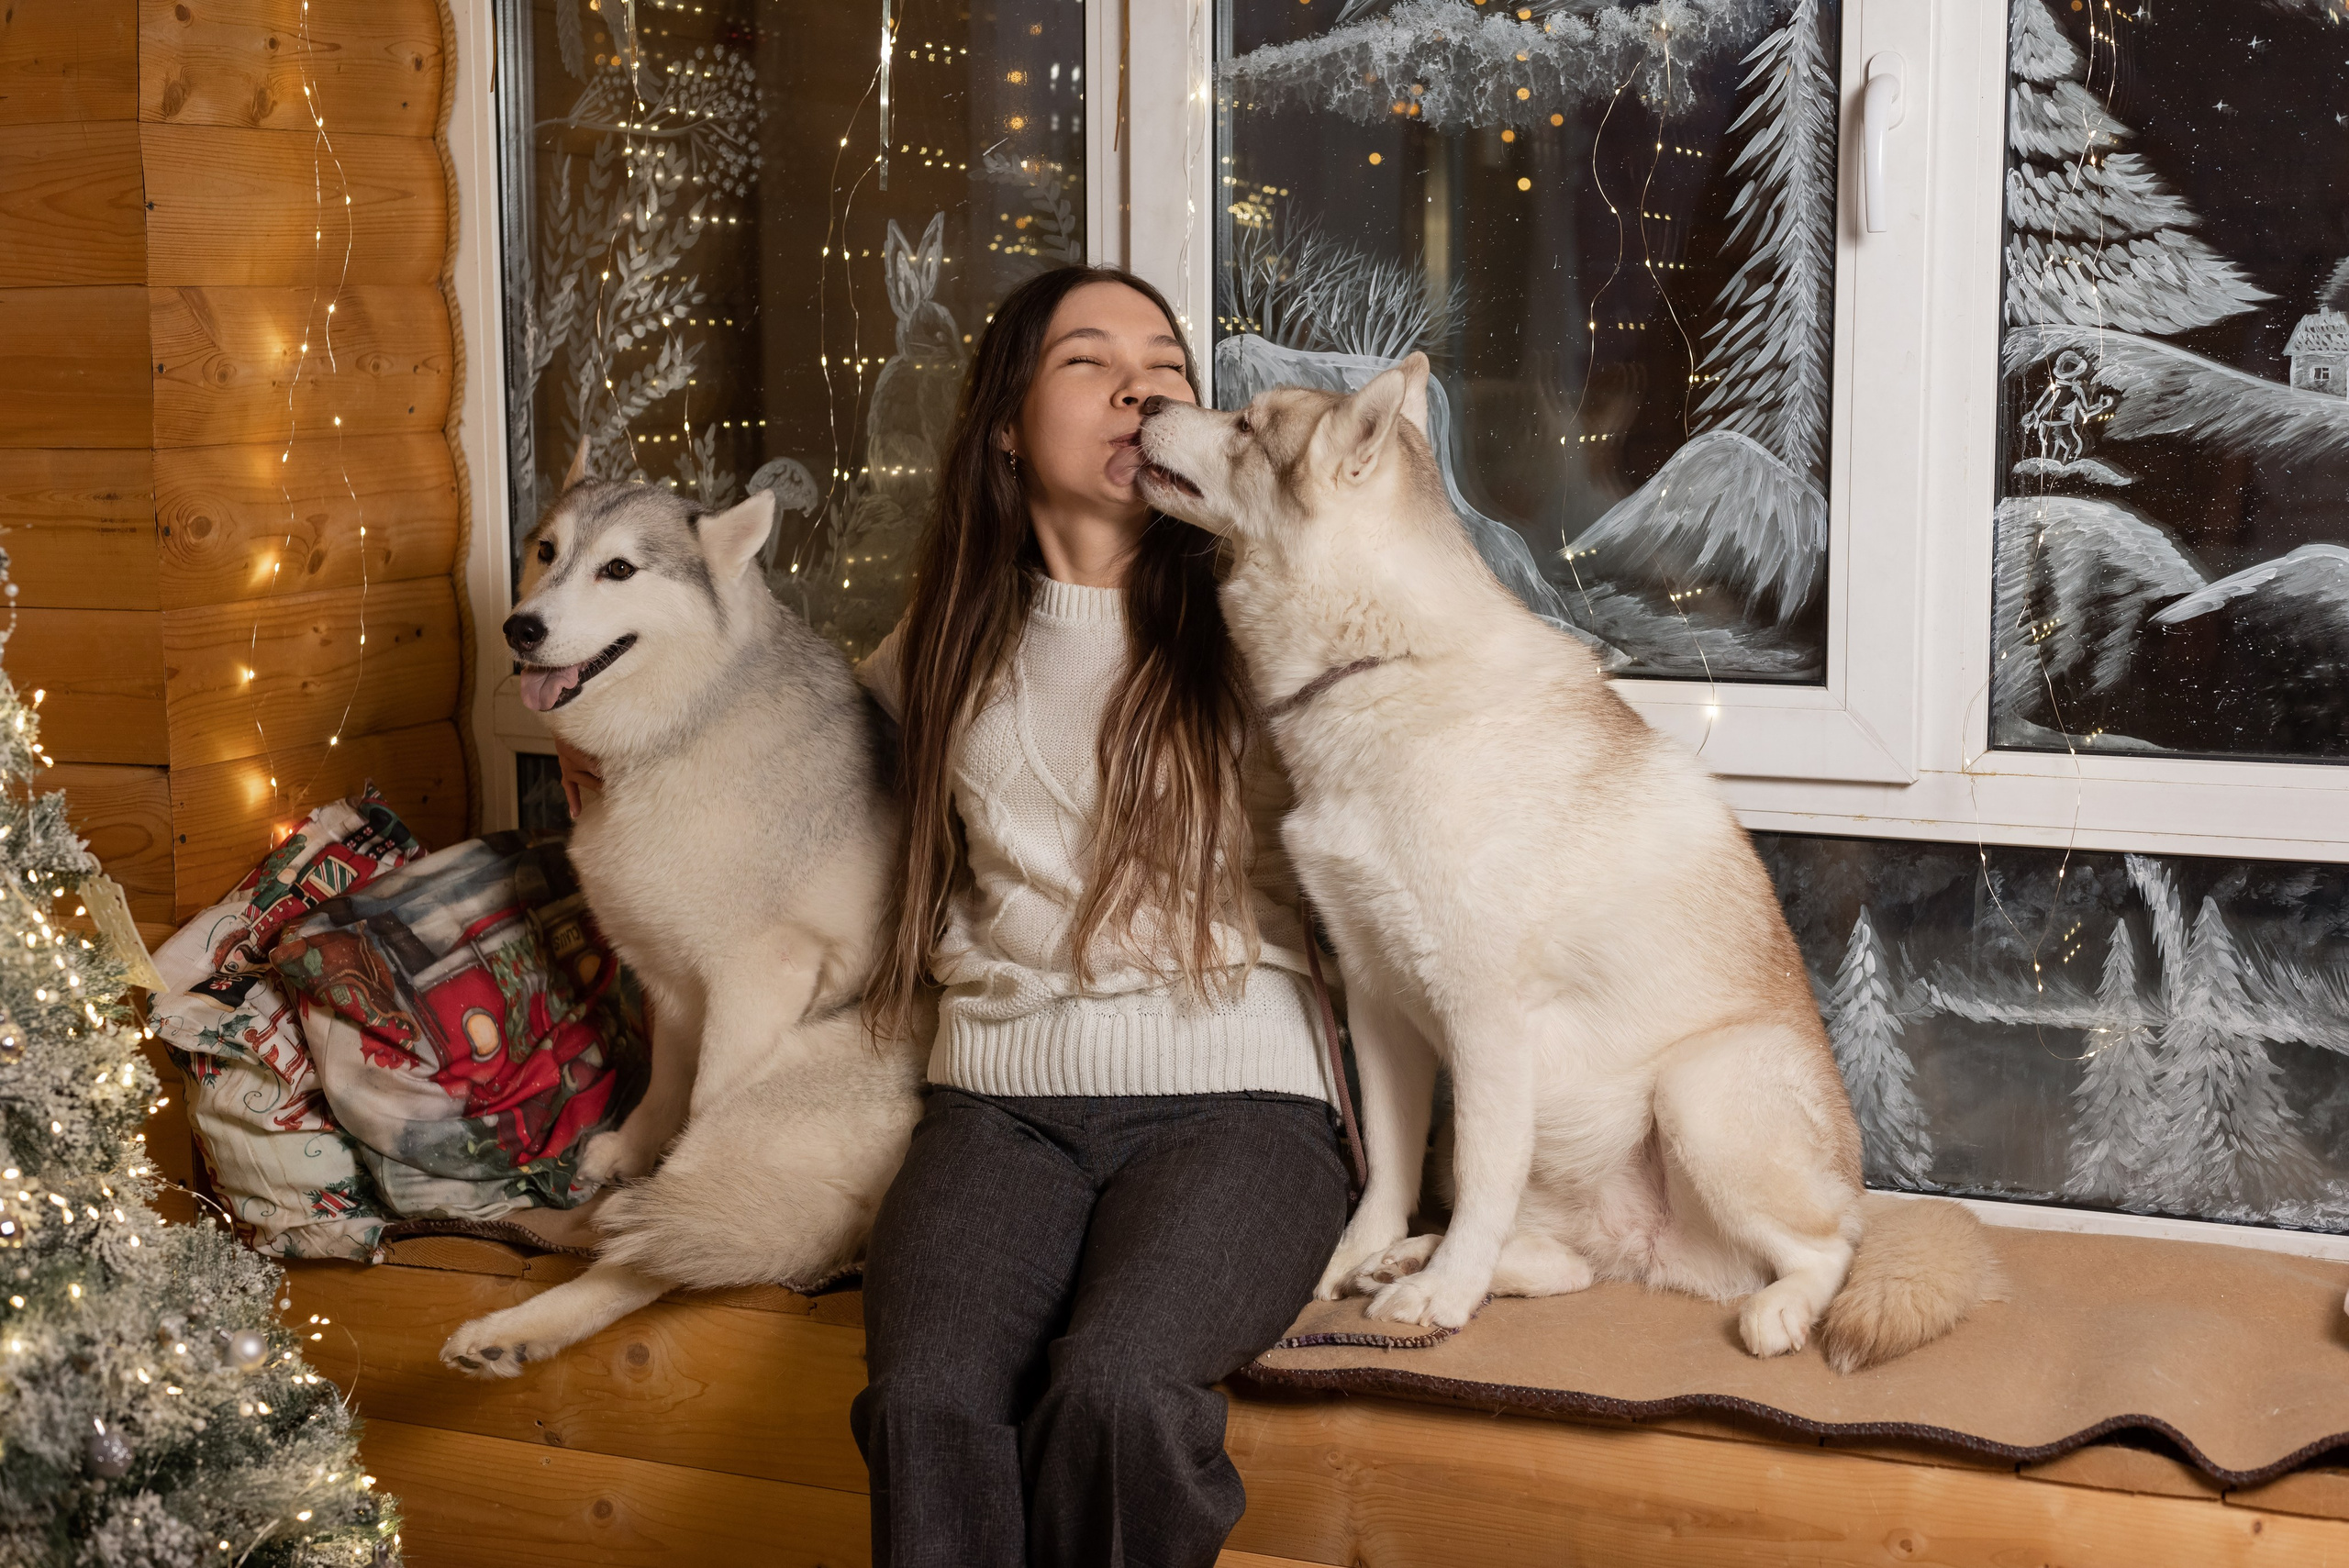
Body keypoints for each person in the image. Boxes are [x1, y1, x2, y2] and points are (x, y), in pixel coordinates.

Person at [555, 266, 1352, 1565]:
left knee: (1115, 1391)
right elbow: (774, 729)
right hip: (1000, 1103)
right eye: (1090, 361)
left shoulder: (1260, 605)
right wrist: (614, 744)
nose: (1142, 386)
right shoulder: (946, 637)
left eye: (1165, 363)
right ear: (1006, 428)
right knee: (925, 1404)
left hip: (1242, 1101)